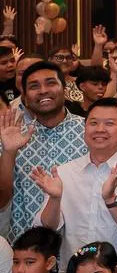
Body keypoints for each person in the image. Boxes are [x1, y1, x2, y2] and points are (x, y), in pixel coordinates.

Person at [31, 99, 117, 273]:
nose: (100, 129)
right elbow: (46, 229)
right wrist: (55, 200)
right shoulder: (64, 172)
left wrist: (111, 201)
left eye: (109, 123)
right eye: (93, 123)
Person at [0, 62, 88, 238]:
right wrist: (9, 152)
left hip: (79, 244)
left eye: (50, 83)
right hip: (25, 247)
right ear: (24, 97)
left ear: (64, 89)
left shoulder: (89, 130)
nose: (43, 90)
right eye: (34, 86)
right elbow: (1, 200)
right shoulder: (12, 135)